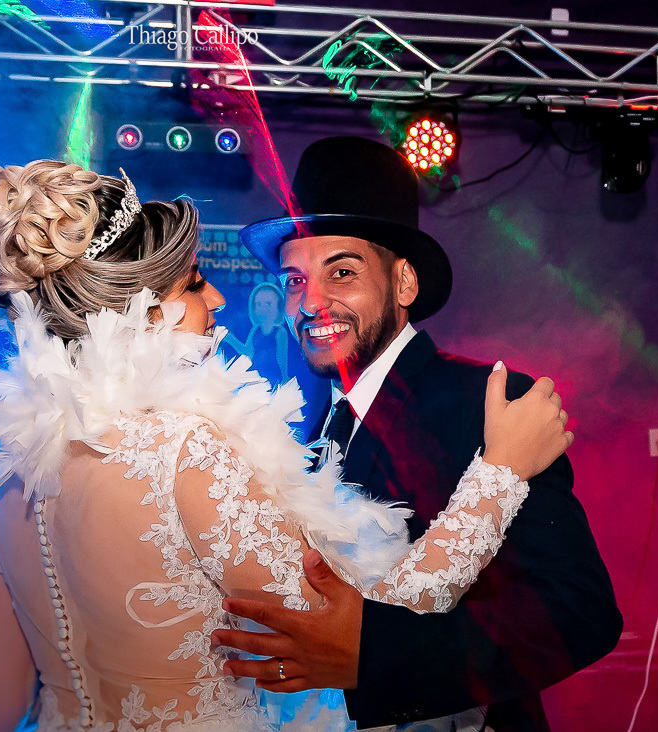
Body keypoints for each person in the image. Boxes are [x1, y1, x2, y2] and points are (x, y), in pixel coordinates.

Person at [0, 159, 573, 731]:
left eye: (342, 273)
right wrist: (500, 473)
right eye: (194, 286)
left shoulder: (16, 477)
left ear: (405, 281)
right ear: (141, 312)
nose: (219, 298)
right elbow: (352, 636)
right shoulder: (188, 450)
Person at [218, 136, 623, 731]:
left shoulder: (486, 403)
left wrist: (372, 658)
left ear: (404, 284)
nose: (313, 301)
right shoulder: (308, 428)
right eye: (296, 280)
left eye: (342, 272)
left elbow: (577, 612)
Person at [223, 282, 290, 383]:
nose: (263, 309)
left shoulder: (280, 332)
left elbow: (282, 357)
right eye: (259, 304)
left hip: (273, 375)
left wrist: (284, 376)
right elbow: (248, 352)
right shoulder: (255, 330)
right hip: (256, 374)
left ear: (279, 307)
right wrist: (231, 339)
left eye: (269, 304)